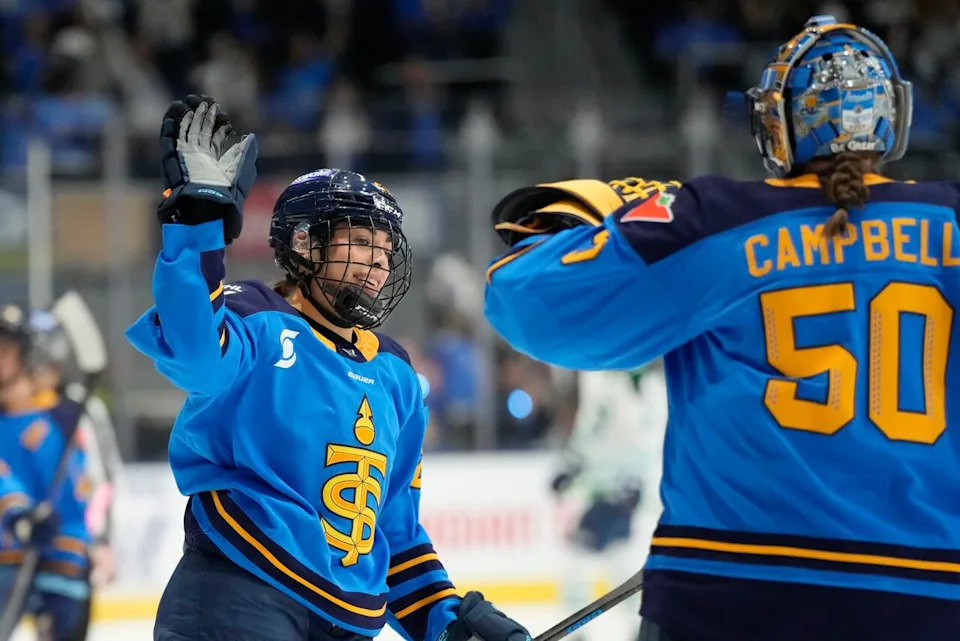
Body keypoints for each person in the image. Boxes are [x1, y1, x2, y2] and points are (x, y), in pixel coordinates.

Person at [484, 14, 960, 641]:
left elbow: (523, 302)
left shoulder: (716, 219)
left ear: (779, 122)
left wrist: (620, 212)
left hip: (730, 593)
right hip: (930, 599)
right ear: (891, 116)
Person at [125, 94, 531, 641]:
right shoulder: (253, 317)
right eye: (360, 242)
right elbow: (193, 351)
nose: (378, 262)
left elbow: (394, 532)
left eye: (386, 249)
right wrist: (198, 227)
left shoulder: (397, 375)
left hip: (344, 621)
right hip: (242, 594)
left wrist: (447, 620)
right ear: (305, 243)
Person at [550, 365, 667, 641]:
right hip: (618, 487)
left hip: (621, 487)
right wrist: (574, 465)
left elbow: (605, 431)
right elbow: (595, 428)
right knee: (616, 557)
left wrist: (576, 466)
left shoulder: (628, 385)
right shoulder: (627, 383)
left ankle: (583, 629)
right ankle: (635, 626)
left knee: (582, 556)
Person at [0, 305, 93, 641]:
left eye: (4, 350)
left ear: (27, 357)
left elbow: (73, 503)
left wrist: (65, 562)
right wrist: (18, 515)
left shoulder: (57, 421)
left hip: (54, 560)